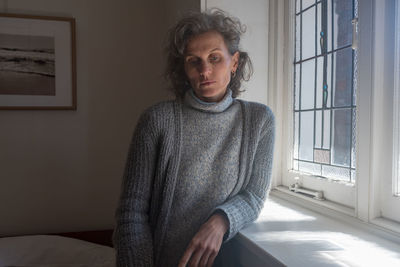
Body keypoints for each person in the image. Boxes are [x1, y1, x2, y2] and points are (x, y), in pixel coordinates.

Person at [113, 9, 275, 267]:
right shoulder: (156, 120)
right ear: (184, 69)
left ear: (234, 63)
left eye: (214, 58)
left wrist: (220, 221)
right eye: (193, 60)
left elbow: (254, 195)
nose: (204, 70)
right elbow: (132, 213)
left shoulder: (259, 120)